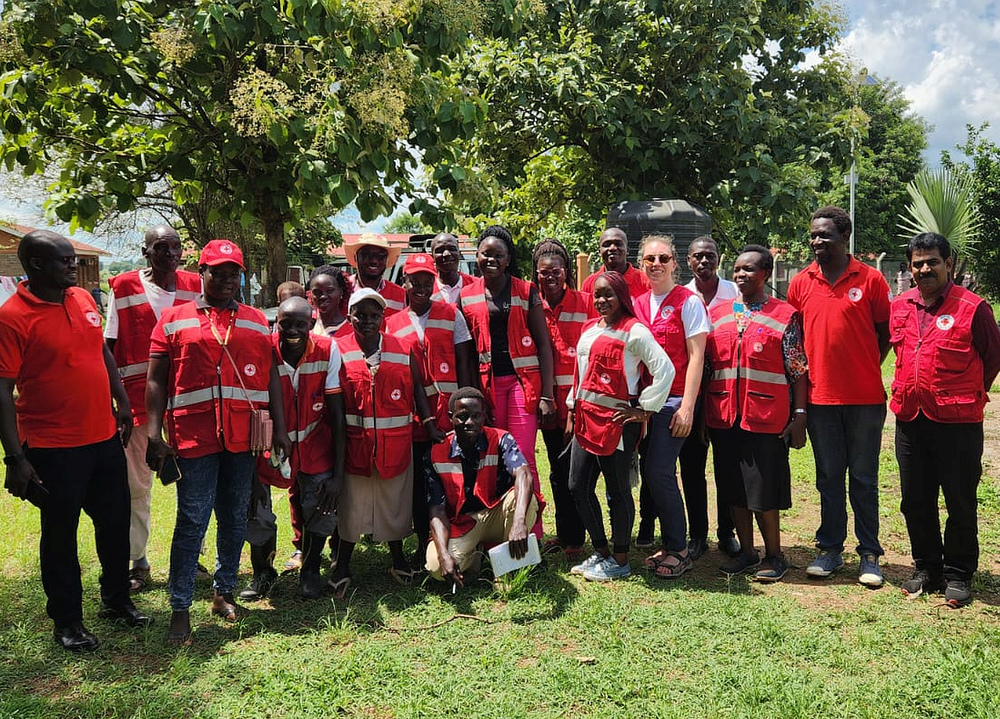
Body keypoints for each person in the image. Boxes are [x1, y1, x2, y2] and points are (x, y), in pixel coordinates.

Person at [0, 230, 151, 652]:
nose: (73, 265)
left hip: (102, 437)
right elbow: (1, 391)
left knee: (115, 523)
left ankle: (117, 600)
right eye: (64, 260)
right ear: (36, 265)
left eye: (73, 259)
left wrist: (121, 400)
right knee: (61, 536)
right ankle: (67, 622)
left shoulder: (83, 299)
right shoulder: (12, 317)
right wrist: (15, 458)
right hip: (51, 447)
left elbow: (100, 352)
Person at [146, 239, 290, 645]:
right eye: (218, 272)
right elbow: (156, 380)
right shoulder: (174, 320)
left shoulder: (258, 321)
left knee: (232, 517)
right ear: (202, 273)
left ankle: (224, 591)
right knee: (192, 521)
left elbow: (272, 377)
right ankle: (179, 607)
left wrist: (279, 428)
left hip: (243, 438)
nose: (227, 279)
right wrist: (154, 433)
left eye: (234, 273)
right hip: (194, 439)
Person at [891, 233, 1000, 607]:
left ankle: (958, 572)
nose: (924, 269)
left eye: (932, 262)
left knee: (959, 499)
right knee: (915, 499)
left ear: (948, 264)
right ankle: (927, 567)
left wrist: (967, 392)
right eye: (918, 263)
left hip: (956, 423)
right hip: (910, 418)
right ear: (910, 268)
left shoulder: (973, 308)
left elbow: (992, 358)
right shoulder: (901, 305)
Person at [787, 206, 891, 587]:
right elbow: (795, 340)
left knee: (863, 478)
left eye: (825, 235)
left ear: (844, 237)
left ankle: (869, 554)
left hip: (865, 400)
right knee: (828, 477)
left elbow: (884, 334)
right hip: (820, 400)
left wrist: (862, 366)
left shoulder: (871, 279)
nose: (817, 242)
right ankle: (830, 548)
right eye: (813, 235)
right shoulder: (801, 282)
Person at [105, 224, 201, 593]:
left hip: (189, 400)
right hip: (138, 405)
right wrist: (119, 403)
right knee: (136, 485)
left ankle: (189, 554)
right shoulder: (124, 287)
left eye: (176, 247)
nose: (171, 254)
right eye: (162, 247)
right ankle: (137, 559)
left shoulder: (195, 284)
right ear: (146, 252)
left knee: (192, 483)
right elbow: (110, 348)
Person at [326, 288, 440, 597]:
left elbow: (418, 388)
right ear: (349, 317)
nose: (367, 321)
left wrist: (429, 424)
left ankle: (398, 558)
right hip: (355, 446)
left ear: (383, 318)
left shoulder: (403, 348)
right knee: (352, 507)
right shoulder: (337, 349)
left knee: (394, 503)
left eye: (374, 315)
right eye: (360, 315)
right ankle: (343, 565)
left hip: (395, 444)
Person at [705, 245, 808, 582]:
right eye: (736, 269)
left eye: (749, 269)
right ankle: (747, 553)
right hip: (724, 417)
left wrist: (800, 414)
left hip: (766, 418)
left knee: (763, 491)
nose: (740, 275)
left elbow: (798, 370)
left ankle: (775, 555)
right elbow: (708, 367)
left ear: (765, 273)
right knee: (733, 488)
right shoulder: (717, 313)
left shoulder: (784, 315)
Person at [568, 272, 674, 581]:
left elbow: (664, 368)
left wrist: (645, 409)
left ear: (621, 297)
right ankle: (601, 551)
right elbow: (581, 373)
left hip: (616, 422)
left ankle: (621, 558)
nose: (601, 301)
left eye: (608, 295)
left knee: (617, 489)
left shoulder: (634, 331)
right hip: (587, 419)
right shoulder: (589, 328)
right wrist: (573, 407)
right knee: (578, 485)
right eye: (597, 295)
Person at [241, 297, 346, 600]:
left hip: (315, 444)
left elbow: (337, 414)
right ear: (276, 324)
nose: (292, 330)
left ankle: (310, 568)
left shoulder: (328, 349)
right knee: (256, 509)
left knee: (324, 506)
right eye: (285, 323)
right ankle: (263, 572)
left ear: (312, 325)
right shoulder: (263, 350)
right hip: (267, 446)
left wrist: (338, 475)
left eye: (301, 324)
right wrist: (252, 473)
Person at [459, 224, 555, 540]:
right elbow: (469, 351)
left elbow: (544, 344)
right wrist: (473, 398)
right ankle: (503, 533)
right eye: (486, 253)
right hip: (486, 391)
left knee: (524, 458)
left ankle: (533, 535)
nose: (491, 259)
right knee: (496, 460)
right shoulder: (466, 295)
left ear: (507, 258)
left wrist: (547, 395)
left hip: (521, 387)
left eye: (498, 254)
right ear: (477, 256)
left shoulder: (526, 291)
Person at [386, 252, 474, 565]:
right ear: (405, 283)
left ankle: (458, 536)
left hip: (450, 416)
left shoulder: (452, 314)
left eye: (427, 279)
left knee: (451, 478)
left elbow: (465, 362)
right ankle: (424, 540)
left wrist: (466, 406)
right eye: (415, 280)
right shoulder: (392, 324)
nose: (422, 285)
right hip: (412, 418)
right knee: (418, 483)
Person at [632, 235, 710, 577]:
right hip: (643, 404)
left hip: (674, 401)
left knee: (658, 472)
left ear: (675, 264)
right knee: (654, 475)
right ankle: (670, 542)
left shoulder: (688, 302)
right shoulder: (635, 304)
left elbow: (696, 357)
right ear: (640, 264)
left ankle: (679, 548)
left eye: (663, 258)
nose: (656, 264)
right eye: (650, 259)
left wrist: (688, 407)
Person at [425, 387, 541, 586]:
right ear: (451, 417)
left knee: (523, 499)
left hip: (498, 514)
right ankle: (477, 554)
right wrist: (444, 554)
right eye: (462, 417)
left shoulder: (502, 439)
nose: (470, 422)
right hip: (464, 523)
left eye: (476, 416)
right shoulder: (436, 452)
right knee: (436, 567)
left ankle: (507, 570)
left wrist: (519, 522)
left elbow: (523, 474)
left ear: (484, 416)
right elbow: (437, 509)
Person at [680, 235, 740, 557]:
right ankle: (698, 534)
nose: (704, 261)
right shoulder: (683, 296)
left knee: (726, 465)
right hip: (694, 390)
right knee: (691, 467)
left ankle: (726, 532)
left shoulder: (734, 292)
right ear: (688, 261)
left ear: (719, 258)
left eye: (710, 255)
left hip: (726, 390)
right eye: (698, 257)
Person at [532, 239, 589, 558]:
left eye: (556, 271)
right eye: (543, 272)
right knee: (556, 469)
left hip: (578, 405)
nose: (550, 277)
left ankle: (579, 539)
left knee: (575, 473)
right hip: (546, 405)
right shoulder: (532, 304)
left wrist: (576, 404)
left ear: (566, 272)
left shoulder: (585, 303)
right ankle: (567, 535)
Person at [580, 227, 650, 301]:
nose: (612, 248)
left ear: (627, 250)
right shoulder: (589, 284)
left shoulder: (644, 281)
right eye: (607, 244)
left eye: (618, 244)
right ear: (600, 251)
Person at [344, 233, 405, 317]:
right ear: (355, 257)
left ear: (387, 260)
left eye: (380, 256)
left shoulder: (401, 296)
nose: (374, 261)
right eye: (367, 255)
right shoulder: (341, 290)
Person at [307, 264, 353, 341]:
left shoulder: (352, 331)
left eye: (329, 291)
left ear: (341, 292)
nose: (323, 296)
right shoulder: (306, 327)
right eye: (317, 292)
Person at [430, 232, 476, 305]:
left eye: (452, 249)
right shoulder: (426, 289)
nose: (447, 254)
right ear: (432, 256)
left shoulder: (476, 285)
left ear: (459, 253)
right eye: (440, 250)